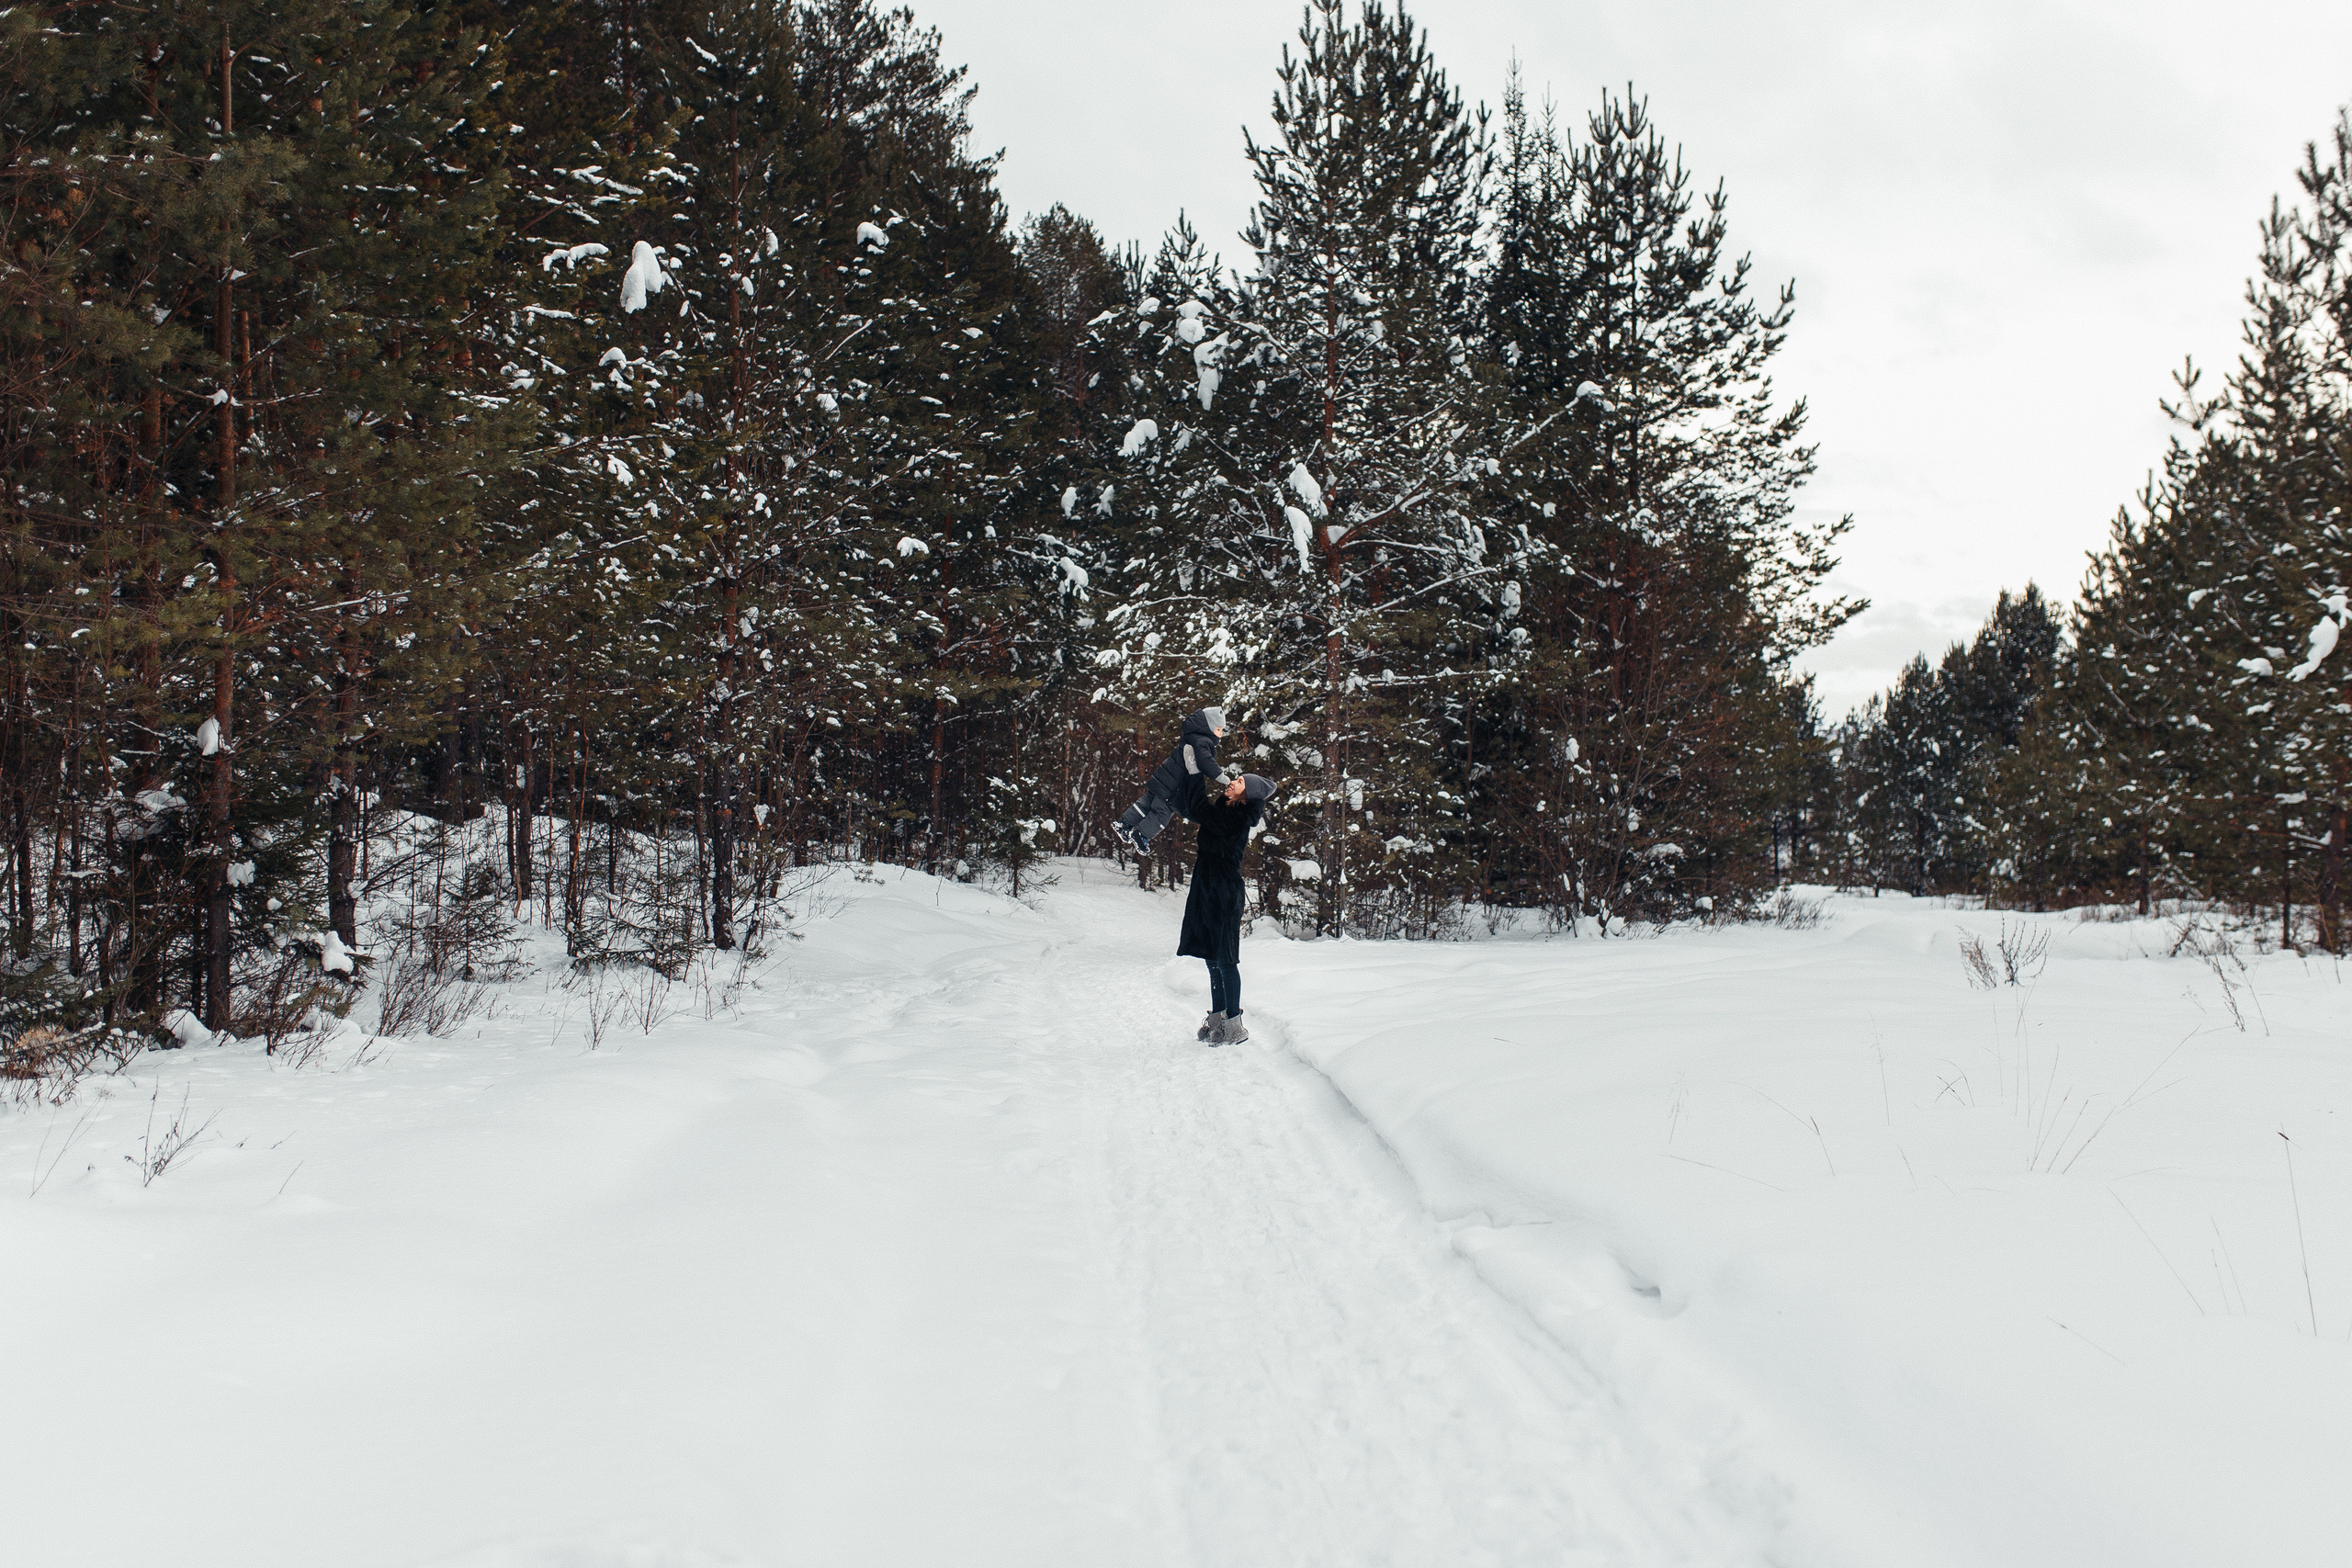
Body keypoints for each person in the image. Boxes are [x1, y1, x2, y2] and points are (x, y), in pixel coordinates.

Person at [1178, 769, 1275, 1045]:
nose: (1232, 781)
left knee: (1225, 960)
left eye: (1240, 782)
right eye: (1237, 778)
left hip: (1224, 892)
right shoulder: (1226, 810)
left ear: (1246, 795)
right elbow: (1194, 809)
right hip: (1208, 888)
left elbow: (1198, 809)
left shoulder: (1237, 817)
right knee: (1212, 958)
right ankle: (1219, 1019)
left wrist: (1194, 770)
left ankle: (1234, 1025)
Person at [1112, 707, 1226, 855]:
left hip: (1164, 778)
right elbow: (1206, 762)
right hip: (1173, 787)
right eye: (1218, 729)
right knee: (1162, 813)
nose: (1221, 733)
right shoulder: (1202, 742)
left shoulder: (1192, 737)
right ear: (1208, 728)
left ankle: (1124, 824)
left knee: (1146, 803)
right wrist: (1220, 776)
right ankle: (1142, 835)